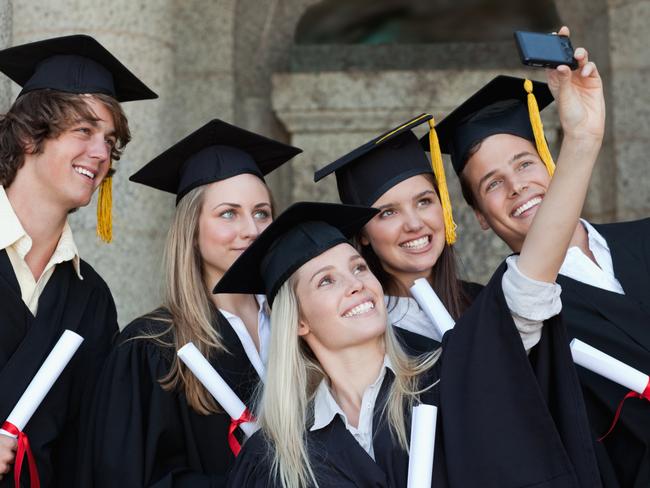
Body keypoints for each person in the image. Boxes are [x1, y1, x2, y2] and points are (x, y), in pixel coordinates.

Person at [429, 26, 646, 487]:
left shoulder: (645, 239)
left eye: (524, 163)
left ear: (550, 164)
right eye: (492, 184)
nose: (517, 187)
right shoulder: (508, 319)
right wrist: (583, 139)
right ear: (481, 217)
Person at [79, 119, 301, 487]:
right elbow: (125, 477)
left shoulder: (300, 327)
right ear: (192, 231)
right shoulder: (152, 347)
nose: (251, 229)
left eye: (262, 212)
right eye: (229, 213)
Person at [0, 34, 157, 487]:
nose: (102, 153)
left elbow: (87, 449)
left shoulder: (90, 298)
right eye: (84, 131)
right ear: (30, 135)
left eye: (109, 140)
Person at [313, 114, 478, 347]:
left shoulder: (484, 302)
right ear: (363, 234)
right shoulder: (366, 329)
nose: (414, 224)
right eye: (388, 212)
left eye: (424, 202)